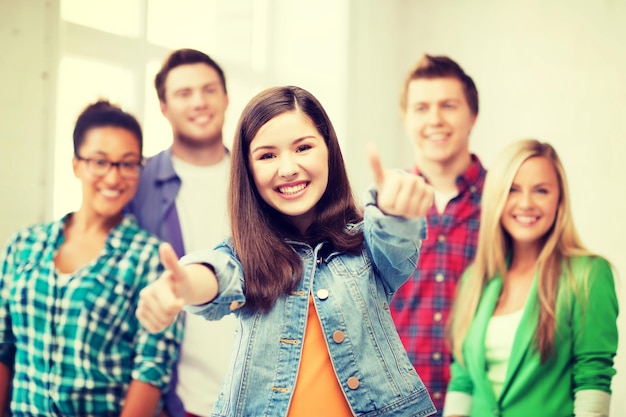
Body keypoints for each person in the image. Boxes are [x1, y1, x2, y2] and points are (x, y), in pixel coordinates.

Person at [136, 85, 438, 417]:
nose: (288, 168)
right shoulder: (245, 255)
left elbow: (396, 244)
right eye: (267, 155)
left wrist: (397, 211)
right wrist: (181, 287)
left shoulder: (366, 243)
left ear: (328, 150)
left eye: (303, 148)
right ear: (248, 171)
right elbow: (216, 274)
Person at [0, 100, 182, 416]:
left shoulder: (150, 259)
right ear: (76, 164)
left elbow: (151, 370)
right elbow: (3, 347)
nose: (113, 179)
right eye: (100, 161)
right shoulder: (24, 245)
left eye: (127, 164)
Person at [443, 139, 619, 417]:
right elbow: (462, 380)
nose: (525, 203)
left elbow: (592, 379)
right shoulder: (474, 281)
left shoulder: (589, 274)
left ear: (560, 199)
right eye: (513, 189)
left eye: (541, 190)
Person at [126, 48, 235, 417]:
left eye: (209, 90)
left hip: (259, 390)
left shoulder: (258, 178)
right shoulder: (137, 184)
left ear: (226, 97)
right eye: (184, 93)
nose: (199, 102)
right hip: (176, 399)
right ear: (163, 107)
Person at [390, 54, 486, 414]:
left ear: (472, 115)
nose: (435, 120)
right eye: (421, 107)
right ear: (406, 118)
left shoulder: (506, 204)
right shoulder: (384, 206)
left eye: (449, 105)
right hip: (398, 402)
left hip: (485, 400)